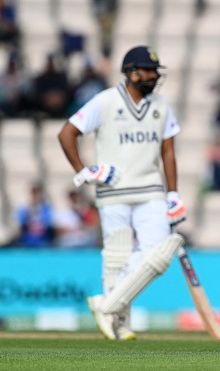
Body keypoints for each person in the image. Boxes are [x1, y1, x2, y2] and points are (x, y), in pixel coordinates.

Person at [58, 45, 187, 341]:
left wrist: (173, 194)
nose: (154, 75)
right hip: (113, 190)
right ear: (131, 72)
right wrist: (84, 169)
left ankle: (107, 304)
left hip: (151, 189)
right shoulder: (105, 101)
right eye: (148, 70)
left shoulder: (162, 105)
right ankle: (120, 322)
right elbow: (67, 133)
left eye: (156, 70)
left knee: (157, 255)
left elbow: (168, 152)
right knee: (117, 257)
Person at [13, 182, 55, 247]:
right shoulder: (23, 208)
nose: (34, 194)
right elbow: (21, 223)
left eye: (36, 192)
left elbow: (49, 223)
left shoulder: (46, 208)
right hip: (27, 240)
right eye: (33, 192)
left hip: (43, 240)